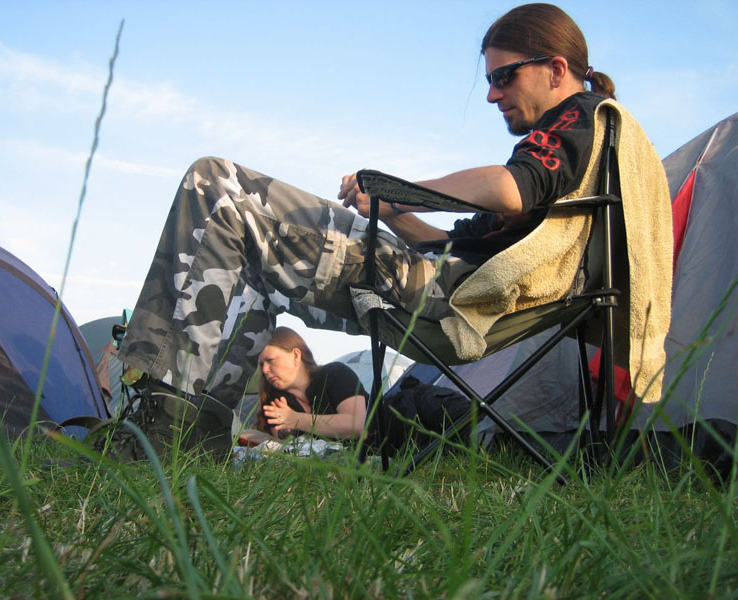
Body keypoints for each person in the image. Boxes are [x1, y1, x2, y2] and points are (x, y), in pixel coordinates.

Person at [117, 3, 645, 439]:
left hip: (458, 300)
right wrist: (394, 211)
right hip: (438, 277)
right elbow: (447, 241)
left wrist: (400, 191)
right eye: (490, 79)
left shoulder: (582, 116)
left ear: (556, 69)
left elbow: (511, 188)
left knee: (224, 204)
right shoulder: (569, 149)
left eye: (504, 76)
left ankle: (163, 420)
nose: (491, 94)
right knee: (224, 204)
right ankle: (190, 425)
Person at [253, 327, 367, 440]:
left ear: (296, 355)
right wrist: (285, 434)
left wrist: (295, 419)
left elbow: (357, 426)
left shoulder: (335, 374)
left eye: (270, 360)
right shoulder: (275, 400)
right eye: (261, 364)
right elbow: (280, 448)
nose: (264, 370)